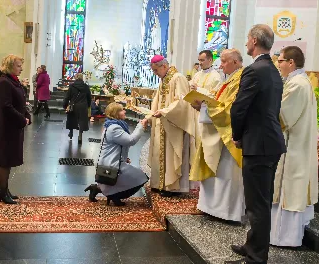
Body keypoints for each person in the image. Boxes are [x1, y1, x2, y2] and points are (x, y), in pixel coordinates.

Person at [229, 24, 286, 264]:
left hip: (259, 144)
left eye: (247, 40)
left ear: (253, 41)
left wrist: (237, 135)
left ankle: (256, 256)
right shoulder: (272, 69)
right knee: (260, 200)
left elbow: (240, 107)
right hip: (269, 142)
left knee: (257, 204)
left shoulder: (254, 70)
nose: (246, 43)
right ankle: (253, 245)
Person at [270, 46, 318, 247]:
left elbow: (283, 116)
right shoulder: (298, 81)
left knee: (289, 190)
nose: (278, 64)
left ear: (291, 62)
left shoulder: (297, 84)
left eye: (280, 61)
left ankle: (284, 238)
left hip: (293, 147)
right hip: (294, 144)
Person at [190, 49, 245, 221]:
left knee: (226, 174)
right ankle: (210, 207)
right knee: (215, 170)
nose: (220, 65)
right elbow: (218, 99)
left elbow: (230, 108)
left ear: (235, 62)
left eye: (224, 61)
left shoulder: (241, 79)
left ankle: (226, 212)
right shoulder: (228, 79)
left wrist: (206, 106)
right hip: (217, 131)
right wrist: (202, 103)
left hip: (227, 135)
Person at [147, 55, 197, 197]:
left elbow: (182, 102)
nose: (155, 74)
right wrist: (150, 116)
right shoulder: (164, 80)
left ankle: (174, 188)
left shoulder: (178, 78)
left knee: (172, 155)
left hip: (174, 123)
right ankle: (159, 184)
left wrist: (164, 112)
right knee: (159, 153)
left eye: (156, 70)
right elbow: (157, 100)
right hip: (162, 122)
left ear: (164, 66)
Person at [84, 102, 149, 206]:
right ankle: (114, 196)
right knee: (141, 178)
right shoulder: (114, 128)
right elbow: (130, 140)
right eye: (122, 110)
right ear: (116, 113)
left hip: (109, 161)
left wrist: (124, 157)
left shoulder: (110, 125)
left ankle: (97, 189)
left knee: (116, 181)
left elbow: (115, 146)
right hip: (112, 164)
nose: (124, 111)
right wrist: (140, 126)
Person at [0, 54, 32, 204]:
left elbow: (20, 102)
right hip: (6, 128)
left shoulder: (13, 82)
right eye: (18, 65)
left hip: (13, 127)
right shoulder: (4, 82)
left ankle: (4, 189)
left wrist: (27, 114)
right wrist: (22, 119)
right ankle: (2, 192)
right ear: (9, 66)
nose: (21, 68)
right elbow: (6, 106)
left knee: (8, 160)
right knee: (4, 161)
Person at [63, 73, 92, 143]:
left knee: (71, 119)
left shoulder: (72, 86)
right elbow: (89, 97)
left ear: (75, 78)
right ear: (82, 78)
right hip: (83, 106)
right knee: (81, 121)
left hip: (73, 105)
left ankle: (71, 132)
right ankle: (80, 135)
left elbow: (67, 97)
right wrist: (88, 105)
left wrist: (65, 105)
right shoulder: (86, 87)